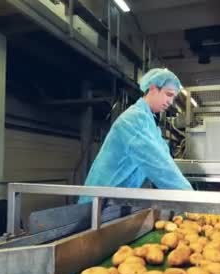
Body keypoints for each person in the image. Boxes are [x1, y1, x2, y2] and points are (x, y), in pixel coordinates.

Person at [79, 68, 192, 203]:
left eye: (173, 97)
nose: (170, 102)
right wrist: (190, 198)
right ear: (153, 88)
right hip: (99, 201)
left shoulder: (150, 124)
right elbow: (157, 163)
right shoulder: (133, 119)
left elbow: (165, 158)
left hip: (117, 200)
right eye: (169, 94)